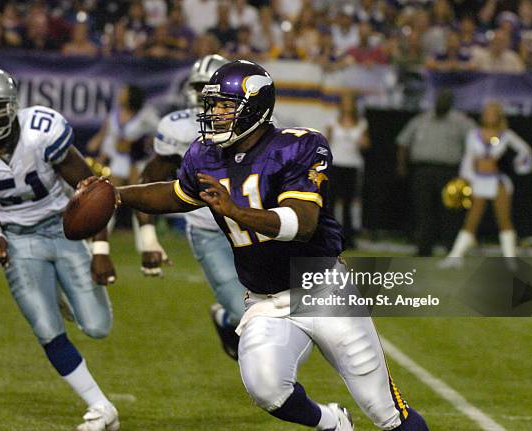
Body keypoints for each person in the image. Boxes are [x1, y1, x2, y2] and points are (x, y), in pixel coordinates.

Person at [78, 60, 428, 431]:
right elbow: (175, 194)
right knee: (266, 388)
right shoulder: (204, 153)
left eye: (225, 106)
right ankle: (333, 423)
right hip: (265, 299)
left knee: (384, 410)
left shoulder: (300, 146)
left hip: (321, 289)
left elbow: (302, 224)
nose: (215, 114)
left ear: (255, 108)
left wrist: (236, 211)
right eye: (213, 105)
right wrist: (116, 195)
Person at [0, 68, 119, 431]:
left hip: (64, 228)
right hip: (18, 237)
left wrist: (101, 248)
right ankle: (101, 407)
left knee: (98, 326)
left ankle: (59, 293)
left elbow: (94, 191)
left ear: (13, 106)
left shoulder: (42, 131)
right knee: (45, 328)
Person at [135, 54, 245, 360]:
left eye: (217, 90)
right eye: (202, 88)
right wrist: (148, 237)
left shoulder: (258, 125)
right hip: (208, 230)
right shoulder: (178, 127)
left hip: (251, 226)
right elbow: (149, 181)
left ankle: (229, 319)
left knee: (280, 310)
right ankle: (229, 320)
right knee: (248, 317)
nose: (208, 97)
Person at [444, 101, 532, 260]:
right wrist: (466, 178)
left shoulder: (506, 135)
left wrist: (518, 166)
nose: (489, 116)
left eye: (492, 113)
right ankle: (455, 256)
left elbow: (525, 151)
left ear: (498, 116)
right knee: (471, 219)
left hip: (496, 182)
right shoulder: (473, 134)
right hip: (478, 181)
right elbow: (468, 159)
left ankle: (510, 259)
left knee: (504, 220)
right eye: (486, 113)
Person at [397, 89, 476, 256]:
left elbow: (476, 142)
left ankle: (451, 248)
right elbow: (403, 142)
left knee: (450, 211)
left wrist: (470, 169)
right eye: (440, 99)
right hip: (422, 170)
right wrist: (401, 166)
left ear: (451, 102)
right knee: (423, 209)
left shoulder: (460, 121)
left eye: (446, 100)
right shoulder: (421, 119)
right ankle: (424, 247)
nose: (442, 103)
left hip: (449, 171)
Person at [326, 91, 370, 247]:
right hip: (336, 163)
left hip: (352, 165)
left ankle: (348, 237)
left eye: (350, 102)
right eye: (345, 102)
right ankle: (328, 235)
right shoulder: (332, 121)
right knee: (331, 201)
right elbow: (327, 142)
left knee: (348, 202)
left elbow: (366, 144)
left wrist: (362, 142)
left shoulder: (362, 123)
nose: (347, 105)